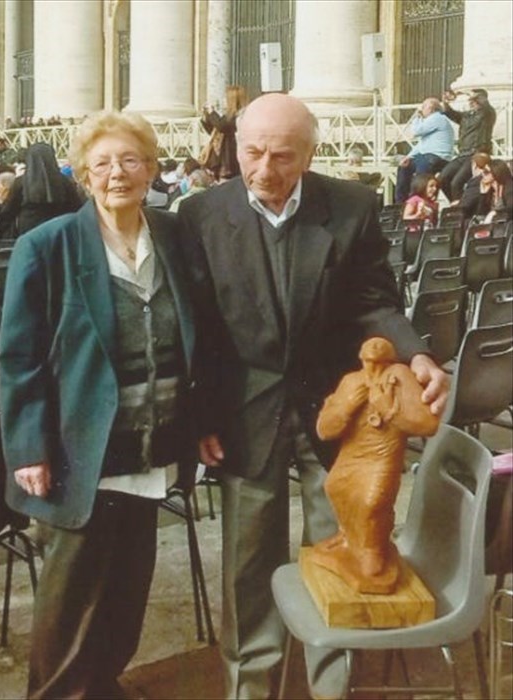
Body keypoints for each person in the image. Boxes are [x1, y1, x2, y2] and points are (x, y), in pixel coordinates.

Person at [178, 93, 448, 700]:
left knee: (351, 555)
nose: (265, 170)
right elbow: (195, 330)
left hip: (338, 416)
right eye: (252, 153)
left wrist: (417, 353)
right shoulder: (198, 215)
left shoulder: (349, 206)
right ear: (235, 147)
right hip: (243, 415)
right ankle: (250, 686)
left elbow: (374, 300)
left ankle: (333, 685)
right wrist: (199, 417)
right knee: (249, 568)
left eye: (282, 155)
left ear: (310, 153)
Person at [0, 109, 197, 700]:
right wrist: (29, 447)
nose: (118, 173)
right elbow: (19, 356)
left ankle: (104, 685)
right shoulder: (47, 245)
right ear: (83, 176)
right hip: (79, 450)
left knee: (127, 591)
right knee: (69, 605)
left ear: (152, 169)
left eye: (131, 160)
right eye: (103, 163)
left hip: (152, 441)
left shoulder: (174, 236)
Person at [311, 337, 439, 595]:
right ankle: (347, 536)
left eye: (381, 363)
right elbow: (324, 429)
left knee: (372, 502)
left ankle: (372, 548)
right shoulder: (351, 382)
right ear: (361, 360)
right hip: (353, 455)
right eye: (370, 363)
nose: (375, 370)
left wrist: (390, 410)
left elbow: (427, 425)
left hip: (383, 455)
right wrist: (347, 408)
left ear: (391, 360)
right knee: (334, 487)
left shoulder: (401, 378)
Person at [0, 141, 83, 236]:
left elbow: (8, 211)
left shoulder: (21, 183)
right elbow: (76, 208)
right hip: (59, 232)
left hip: (29, 233)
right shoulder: (65, 182)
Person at [439, 88, 496, 202]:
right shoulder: (465, 116)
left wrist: (465, 93)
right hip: (463, 154)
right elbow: (448, 112)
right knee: (442, 179)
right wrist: (446, 100)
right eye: (470, 100)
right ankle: (457, 204)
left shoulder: (487, 114)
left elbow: (483, 103)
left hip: (476, 154)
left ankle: (461, 210)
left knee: (457, 182)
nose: (471, 102)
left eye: (474, 99)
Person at [395, 97, 454, 203]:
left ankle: (419, 201)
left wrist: (417, 117)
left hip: (437, 156)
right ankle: (402, 203)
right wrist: (408, 157)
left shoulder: (437, 118)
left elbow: (416, 131)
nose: (421, 110)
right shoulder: (431, 121)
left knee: (420, 179)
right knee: (404, 167)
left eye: (423, 107)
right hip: (427, 155)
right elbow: (422, 144)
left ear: (431, 108)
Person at [200, 85, 248, 180]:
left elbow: (222, 126)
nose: (223, 100)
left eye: (225, 98)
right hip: (222, 157)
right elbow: (215, 131)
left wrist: (212, 113)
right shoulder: (227, 116)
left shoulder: (240, 116)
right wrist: (206, 117)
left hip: (231, 160)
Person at [459, 158, 513, 223]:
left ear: (496, 173)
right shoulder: (490, 190)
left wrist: (495, 212)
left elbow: (510, 209)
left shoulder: (509, 188)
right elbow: (481, 215)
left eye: (486, 172)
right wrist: (483, 194)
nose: (482, 174)